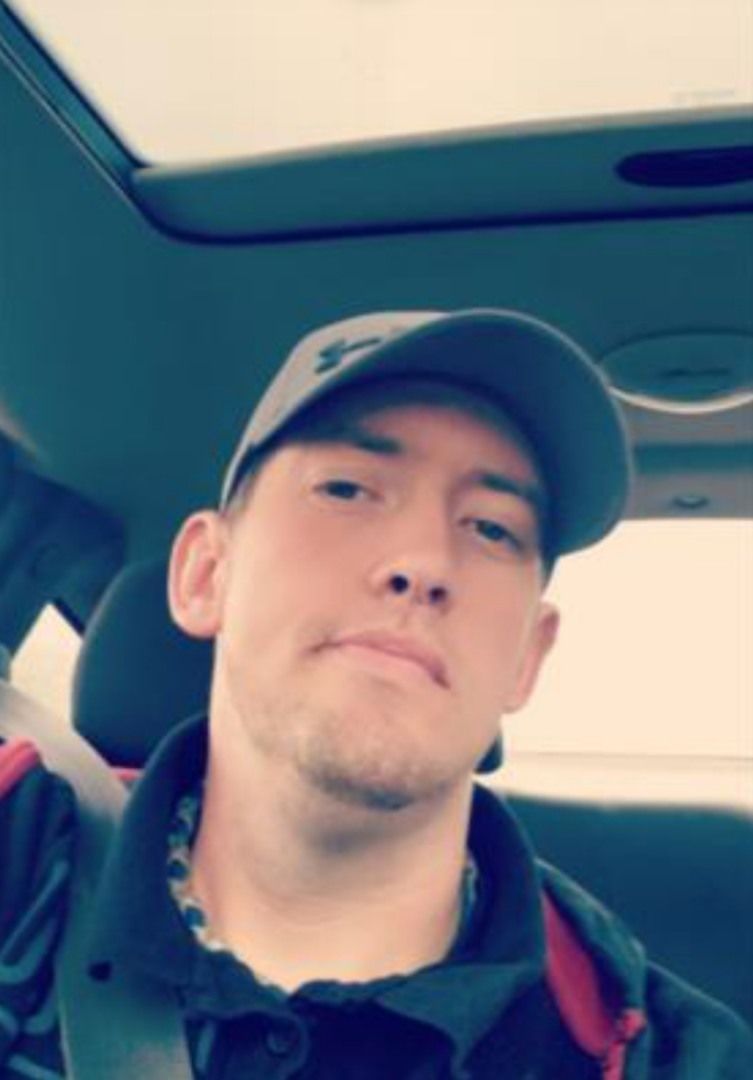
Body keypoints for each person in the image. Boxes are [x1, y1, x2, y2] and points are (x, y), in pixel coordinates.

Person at [1, 309, 751, 1078]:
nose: (424, 562)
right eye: (348, 488)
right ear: (206, 574)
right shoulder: (17, 863)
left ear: (526, 658)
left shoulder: (668, 1055)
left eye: (492, 529)